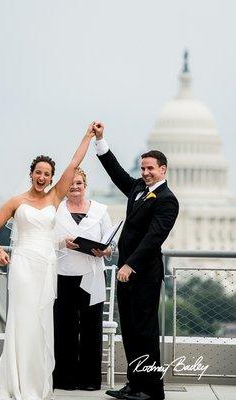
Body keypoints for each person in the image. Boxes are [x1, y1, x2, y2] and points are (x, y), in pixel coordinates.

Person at [0, 124, 95, 400]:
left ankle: (35, 381)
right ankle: (15, 380)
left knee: (40, 323)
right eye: (38, 172)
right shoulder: (16, 201)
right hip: (23, 265)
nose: (42, 177)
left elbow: (74, 163)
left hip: (46, 266)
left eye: (47, 174)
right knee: (22, 320)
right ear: (31, 174)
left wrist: (88, 136)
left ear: (51, 178)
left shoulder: (54, 196)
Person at [93, 122, 179, 400]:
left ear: (162, 169)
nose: (145, 172)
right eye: (142, 168)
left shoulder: (167, 200)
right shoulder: (137, 189)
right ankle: (135, 384)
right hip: (125, 272)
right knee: (129, 331)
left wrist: (131, 264)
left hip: (143, 273)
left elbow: (153, 238)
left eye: (150, 168)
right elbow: (117, 173)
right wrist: (101, 141)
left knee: (145, 332)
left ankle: (153, 390)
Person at [53, 167, 113, 391]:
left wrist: (104, 251)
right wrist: (62, 242)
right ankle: (64, 379)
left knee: (91, 327)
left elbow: (111, 242)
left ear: (85, 185)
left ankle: (89, 379)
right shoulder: (56, 209)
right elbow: (48, 238)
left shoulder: (100, 210)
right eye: (71, 183)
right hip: (63, 273)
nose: (75, 187)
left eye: (78, 183)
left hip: (92, 274)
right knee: (64, 327)